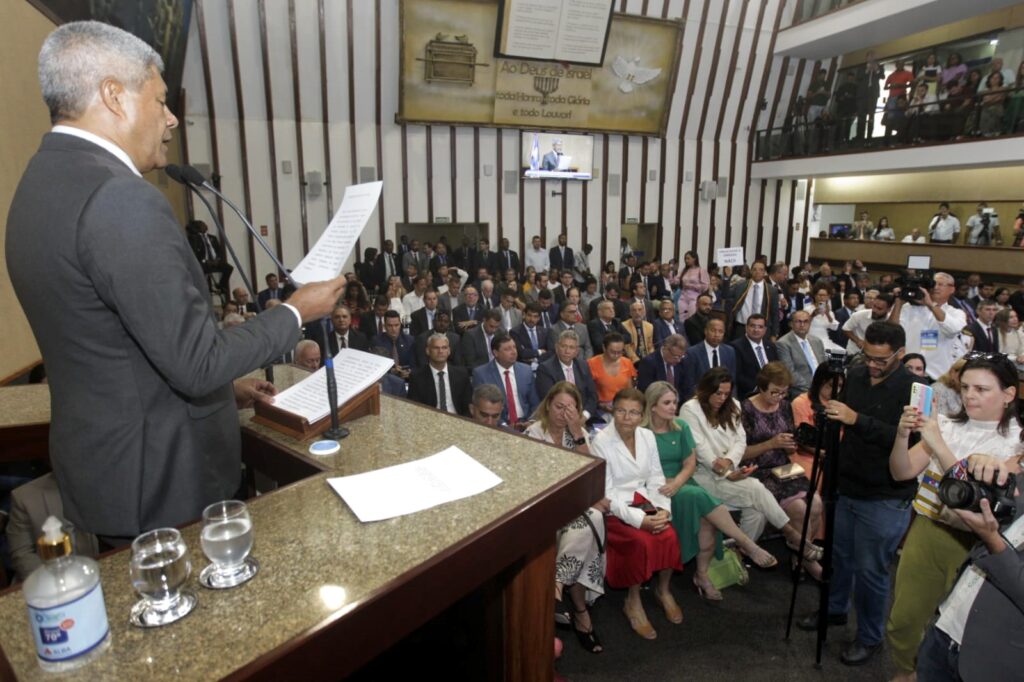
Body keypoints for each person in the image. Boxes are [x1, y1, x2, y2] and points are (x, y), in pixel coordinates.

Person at [5, 21, 346, 541]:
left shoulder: (38, 185)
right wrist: (295, 312)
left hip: (105, 472)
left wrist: (225, 389)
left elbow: (110, 343)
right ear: (114, 96)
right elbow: (195, 362)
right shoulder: (122, 198)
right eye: (161, 100)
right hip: (162, 483)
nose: (171, 119)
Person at [886, 353, 1023, 680]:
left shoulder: (1018, 439)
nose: (970, 396)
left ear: (1009, 393)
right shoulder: (945, 423)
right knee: (903, 619)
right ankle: (909, 672)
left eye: (981, 388)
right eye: (965, 387)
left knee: (964, 627)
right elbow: (901, 471)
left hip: (985, 545)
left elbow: (980, 501)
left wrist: (939, 446)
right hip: (930, 530)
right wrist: (903, 435)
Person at [797, 321, 921, 667]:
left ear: (899, 353)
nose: (872, 364)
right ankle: (835, 609)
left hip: (885, 492)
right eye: (868, 356)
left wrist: (855, 419)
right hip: (847, 482)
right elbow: (843, 419)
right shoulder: (855, 373)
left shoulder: (915, 389)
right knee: (839, 556)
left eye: (881, 360)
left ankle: (870, 636)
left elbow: (911, 440)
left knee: (871, 570)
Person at [645, 381, 778, 601]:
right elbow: (642, 468)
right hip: (657, 487)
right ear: (652, 406)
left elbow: (690, 463)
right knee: (702, 499)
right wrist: (672, 483)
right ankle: (745, 543)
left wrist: (678, 482)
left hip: (682, 482)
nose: (673, 407)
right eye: (666, 403)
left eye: (674, 402)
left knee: (707, 519)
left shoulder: (680, 426)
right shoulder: (643, 433)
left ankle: (702, 575)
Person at [679, 367, 821, 560]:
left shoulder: (734, 405)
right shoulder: (690, 409)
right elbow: (701, 449)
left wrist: (729, 463)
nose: (722, 398)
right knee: (756, 487)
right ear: (705, 390)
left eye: (726, 394)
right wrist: (728, 472)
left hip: (740, 469)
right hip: (705, 475)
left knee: (759, 512)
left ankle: (738, 556)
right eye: (718, 393)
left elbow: (739, 441)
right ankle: (790, 533)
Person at [914, 454, 1024, 681]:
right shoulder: (1020, 480)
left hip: (994, 661)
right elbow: (951, 492)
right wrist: (970, 467)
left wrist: (992, 539)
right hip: (946, 627)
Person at [591, 388, 684, 640]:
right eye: (621, 411)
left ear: (642, 415)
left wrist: (663, 509)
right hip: (616, 507)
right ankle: (632, 601)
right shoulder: (601, 442)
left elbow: (655, 477)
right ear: (612, 410)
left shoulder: (646, 436)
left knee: (669, 536)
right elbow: (607, 493)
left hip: (645, 499)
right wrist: (641, 521)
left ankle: (663, 591)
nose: (626, 417)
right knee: (640, 541)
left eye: (633, 412)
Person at [525, 382, 607, 653]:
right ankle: (581, 611)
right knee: (593, 519)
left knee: (591, 518)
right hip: (544, 508)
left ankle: (557, 587)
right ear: (548, 405)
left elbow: (592, 473)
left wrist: (578, 434)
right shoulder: (534, 432)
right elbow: (534, 482)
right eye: (559, 407)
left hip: (574, 505)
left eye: (570, 408)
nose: (563, 413)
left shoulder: (578, 432)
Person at [740, 363, 824, 579]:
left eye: (783, 392)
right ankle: (806, 557)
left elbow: (790, 440)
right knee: (799, 509)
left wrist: (791, 445)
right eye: (774, 392)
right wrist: (771, 443)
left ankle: (801, 554)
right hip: (758, 469)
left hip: (784, 466)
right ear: (761, 387)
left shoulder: (785, 407)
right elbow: (739, 453)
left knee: (816, 504)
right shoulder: (745, 409)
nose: (778, 397)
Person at [892, 271, 967, 380]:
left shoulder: (956, 313)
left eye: (941, 284)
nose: (936, 287)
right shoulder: (908, 308)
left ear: (952, 289)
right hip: (906, 373)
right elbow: (892, 332)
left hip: (937, 377)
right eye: (934, 283)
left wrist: (931, 305)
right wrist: (898, 302)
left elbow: (952, 330)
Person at [471, 333, 538, 428]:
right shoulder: (481, 374)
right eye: (507, 349)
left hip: (527, 424)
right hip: (499, 426)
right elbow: (483, 409)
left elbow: (535, 402)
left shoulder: (526, 370)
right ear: (496, 353)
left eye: (514, 347)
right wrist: (504, 426)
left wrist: (531, 422)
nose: (514, 352)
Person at [535, 330, 599, 418]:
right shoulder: (545, 369)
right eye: (563, 346)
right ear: (556, 348)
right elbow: (549, 400)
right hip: (558, 418)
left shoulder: (583, 365)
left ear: (577, 351)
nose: (567, 351)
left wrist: (584, 416)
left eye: (571, 347)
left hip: (584, 417)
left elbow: (593, 396)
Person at [407, 333, 471, 416]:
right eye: (436, 348)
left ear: (449, 351)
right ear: (428, 351)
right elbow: (414, 409)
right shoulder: (417, 377)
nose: (440, 351)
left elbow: (469, 407)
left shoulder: (461, 374)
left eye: (444, 348)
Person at [679, 317, 737, 402]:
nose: (716, 334)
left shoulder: (729, 351)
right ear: (705, 331)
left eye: (720, 332)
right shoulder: (692, 353)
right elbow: (688, 385)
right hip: (700, 401)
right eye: (713, 331)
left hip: (724, 401)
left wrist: (731, 401)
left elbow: (732, 381)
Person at [777, 309, 827, 398]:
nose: (802, 325)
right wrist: (814, 388)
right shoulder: (783, 343)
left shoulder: (817, 341)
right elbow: (790, 373)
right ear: (791, 324)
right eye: (798, 322)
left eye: (806, 322)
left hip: (822, 387)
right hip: (801, 389)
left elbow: (824, 366)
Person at [729, 314, 780, 399]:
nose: (756, 330)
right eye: (753, 326)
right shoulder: (736, 347)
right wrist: (762, 388)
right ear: (746, 327)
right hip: (750, 394)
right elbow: (738, 375)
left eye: (760, 327)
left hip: (773, 392)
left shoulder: (770, 346)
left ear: (765, 330)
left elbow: (778, 368)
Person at [587, 332, 637, 416]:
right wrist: (601, 405)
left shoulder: (627, 362)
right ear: (604, 348)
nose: (617, 355)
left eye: (620, 352)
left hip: (622, 406)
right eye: (613, 352)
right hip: (599, 409)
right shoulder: (591, 364)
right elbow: (588, 392)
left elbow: (630, 390)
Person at [186, 219, 233, 294]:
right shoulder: (194, 239)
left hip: (214, 262)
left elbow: (218, 251)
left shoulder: (212, 238)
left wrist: (217, 259)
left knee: (228, 268)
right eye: (202, 225)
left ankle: (222, 286)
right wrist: (205, 261)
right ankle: (206, 289)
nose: (205, 226)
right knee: (200, 271)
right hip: (202, 263)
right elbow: (194, 253)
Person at [676, 251, 709, 321]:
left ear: (694, 259)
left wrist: (692, 286)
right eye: (685, 259)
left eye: (688, 258)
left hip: (694, 297)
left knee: (691, 317)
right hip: (683, 297)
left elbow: (705, 286)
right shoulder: (684, 270)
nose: (686, 261)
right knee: (681, 318)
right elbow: (676, 280)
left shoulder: (701, 270)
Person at [994, 308, 1024, 374]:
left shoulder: (1019, 333)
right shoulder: (996, 334)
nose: (1015, 319)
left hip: (1018, 363)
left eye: (1016, 316)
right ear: (1003, 320)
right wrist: (1015, 358)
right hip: (1003, 364)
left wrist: (1022, 356)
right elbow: (998, 354)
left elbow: (1022, 350)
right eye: (1011, 317)